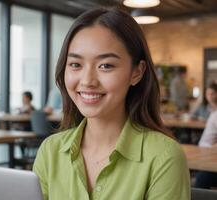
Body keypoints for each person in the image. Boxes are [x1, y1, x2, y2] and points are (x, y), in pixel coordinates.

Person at [33, 7, 190, 200]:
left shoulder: (164, 156)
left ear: (137, 72)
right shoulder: (50, 151)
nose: (88, 80)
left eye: (106, 65)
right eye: (75, 64)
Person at [194, 109, 217, 189]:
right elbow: (203, 144)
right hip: (212, 162)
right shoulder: (214, 114)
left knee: (202, 177)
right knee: (202, 177)